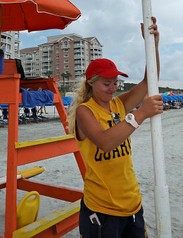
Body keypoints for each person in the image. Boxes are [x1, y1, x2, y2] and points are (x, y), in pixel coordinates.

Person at [66, 17, 162, 238]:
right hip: (101, 208)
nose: (112, 88)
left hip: (132, 203)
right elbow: (105, 142)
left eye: (115, 83)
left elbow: (150, 81)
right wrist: (141, 113)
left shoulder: (118, 104)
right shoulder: (85, 111)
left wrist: (152, 45)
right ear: (91, 82)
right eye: (106, 83)